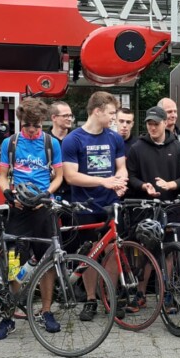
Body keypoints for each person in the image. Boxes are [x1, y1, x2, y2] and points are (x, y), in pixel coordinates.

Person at [0, 98, 64, 340]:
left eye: (36, 125)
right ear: (21, 122)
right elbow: (2, 176)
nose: (32, 130)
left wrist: (47, 194)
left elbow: (59, 176)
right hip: (19, 210)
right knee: (14, 264)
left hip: (42, 210)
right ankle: (8, 316)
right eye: (27, 125)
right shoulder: (9, 143)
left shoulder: (50, 142)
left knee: (47, 262)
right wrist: (8, 194)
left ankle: (45, 311)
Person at [62, 91, 128, 321]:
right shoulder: (74, 139)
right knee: (90, 254)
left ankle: (109, 296)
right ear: (97, 111)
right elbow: (70, 176)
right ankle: (90, 299)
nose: (113, 118)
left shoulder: (115, 138)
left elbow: (122, 167)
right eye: (111, 113)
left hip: (111, 205)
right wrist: (104, 181)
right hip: (85, 207)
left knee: (111, 252)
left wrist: (120, 181)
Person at [126, 105, 180, 307]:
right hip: (146, 207)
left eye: (156, 124)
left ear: (166, 123)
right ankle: (140, 294)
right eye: (149, 124)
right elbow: (130, 176)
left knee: (170, 253)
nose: (152, 128)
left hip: (172, 207)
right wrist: (143, 185)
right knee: (145, 252)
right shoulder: (137, 148)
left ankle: (167, 293)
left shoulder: (179, 148)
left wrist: (173, 184)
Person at [49, 100, 74, 200]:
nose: (69, 119)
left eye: (70, 115)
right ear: (54, 117)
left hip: (73, 193)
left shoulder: (77, 138)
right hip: (51, 192)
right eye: (65, 116)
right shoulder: (44, 141)